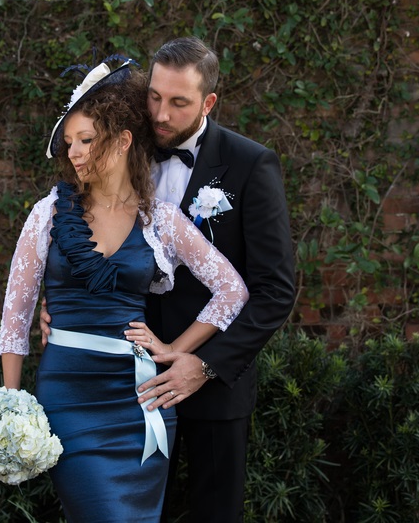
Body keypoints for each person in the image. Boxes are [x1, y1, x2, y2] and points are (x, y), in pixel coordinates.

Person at [42, 37, 296, 522]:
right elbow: (72, 236)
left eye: (178, 103)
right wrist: (61, 301)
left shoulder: (250, 165)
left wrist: (201, 363)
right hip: (122, 392)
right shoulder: (121, 146)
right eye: (154, 96)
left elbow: (275, 291)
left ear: (209, 102)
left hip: (211, 389)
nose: (160, 113)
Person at [0, 56, 249, 523]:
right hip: (68, 398)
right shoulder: (48, 214)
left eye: (86, 140)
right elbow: (15, 320)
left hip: (140, 404)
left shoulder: (162, 219)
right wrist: (11, 406)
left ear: (123, 139)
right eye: (69, 142)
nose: (73, 152)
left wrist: (176, 349)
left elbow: (232, 291)